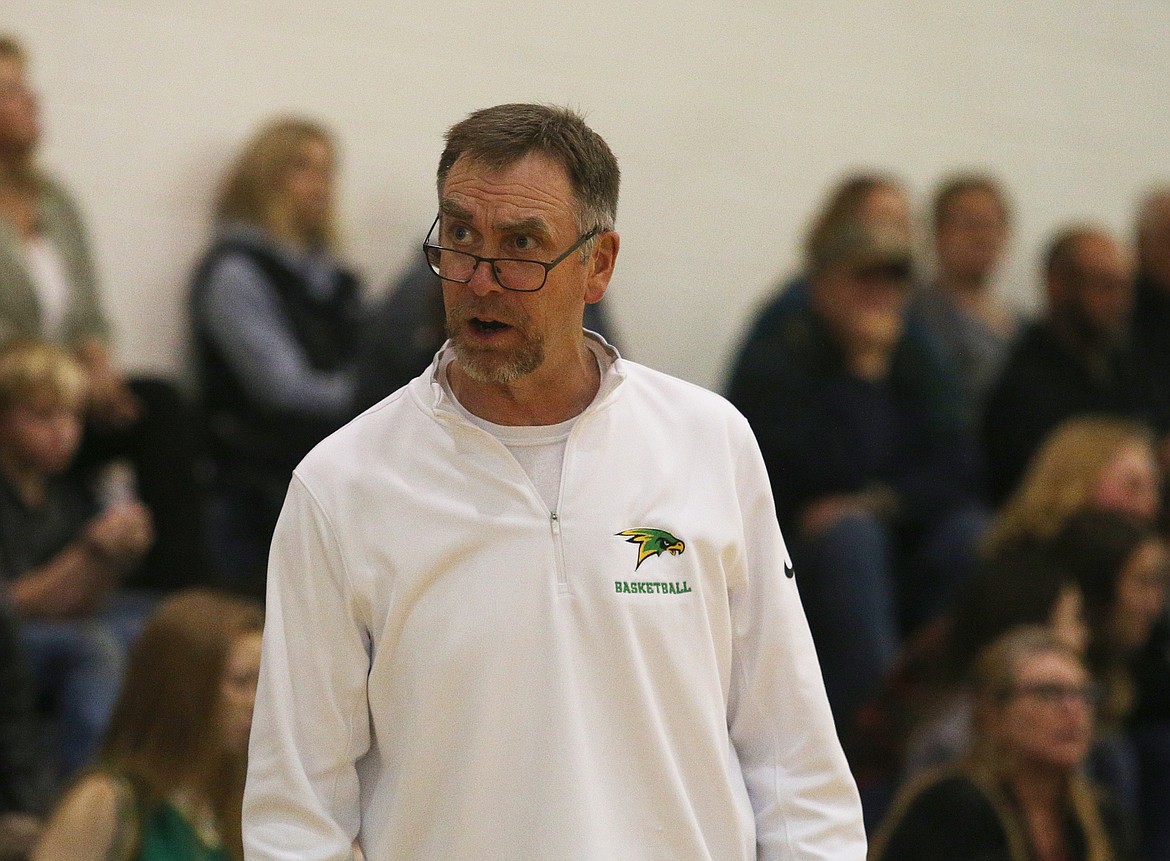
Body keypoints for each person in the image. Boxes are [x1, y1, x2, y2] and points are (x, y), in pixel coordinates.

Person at [244, 103, 865, 859]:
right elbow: (295, 815)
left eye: (521, 246)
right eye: (461, 237)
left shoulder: (711, 443)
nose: (481, 279)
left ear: (598, 264)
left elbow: (794, 759)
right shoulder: (340, 484)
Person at [727, 213, 985, 728]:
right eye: (863, 277)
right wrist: (863, 373)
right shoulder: (782, 349)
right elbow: (810, 476)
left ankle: (950, 713)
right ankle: (870, 728)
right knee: (852, 539)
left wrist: (882, 503)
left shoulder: (913, 348)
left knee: (971, 534)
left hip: (895, 532)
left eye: (893, 279)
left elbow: (961, 467)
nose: (880, 292)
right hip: (792, 551)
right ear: (822, 283)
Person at [0, 35, 206, 594]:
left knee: (160, 405)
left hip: (63, 391)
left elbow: (87, 312)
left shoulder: (54, 200)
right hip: (12, 396)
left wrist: (96, 367)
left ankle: (175, 598)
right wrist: (56, 379)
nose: (32, 101)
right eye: (13, 89)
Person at [190, 116, 362, 595]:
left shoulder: (338, 280)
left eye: (328, 171)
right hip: (253, 491)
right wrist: (377, 397)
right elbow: (282, 388)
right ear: (264, 178)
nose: (321, 185)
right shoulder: (236, 272)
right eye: (302, 168)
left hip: (327, 479)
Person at [0, 340, 153, 777]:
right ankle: (82, 802)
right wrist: (89, 552)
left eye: (72, 416)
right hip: (9, 642)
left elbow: (80, 603)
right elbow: (10, 610)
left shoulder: (59, 492)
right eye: (43, 416)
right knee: (94, 647)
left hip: (39, 632)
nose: (63, 432)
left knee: (164, 621)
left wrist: (113, 560)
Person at [870, 625, 1137, 861]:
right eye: (1049, 693)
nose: (1073, 709)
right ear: (994, 713)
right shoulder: (951, 806)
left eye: (1083, 694)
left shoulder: (1103, 813)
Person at [33, 588, 264, 861]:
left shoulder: (240, 802)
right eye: (241, 682)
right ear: (182, 686)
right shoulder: (106, 801)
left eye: (262, 683)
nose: (257, 702)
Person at [983, 226, 1160, 504]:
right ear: (1058, 286)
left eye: (1124, 286)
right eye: (1104, 286)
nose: (1119, 301)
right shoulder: (1023, 382)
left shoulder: (1128, 364)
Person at [982, 416, 1160, 560]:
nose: (1150, 504)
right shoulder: (1022, 571)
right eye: (1132, 485)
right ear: (1075, 483)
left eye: (1154, 488)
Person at [916, 174, 1018, 415]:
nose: (981, 236)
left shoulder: (1022, 324)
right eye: (968, 224)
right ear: (939, 233)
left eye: (990, 224)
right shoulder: (914, 314)